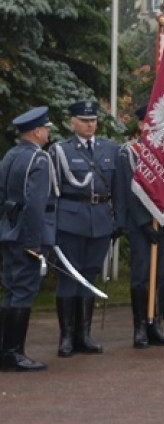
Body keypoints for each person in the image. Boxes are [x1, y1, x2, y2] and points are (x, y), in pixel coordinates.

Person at [49, 99, 124, 357]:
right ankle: (66, 337)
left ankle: (84, 334)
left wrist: (119, 221)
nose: (89, 124)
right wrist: (51, 225)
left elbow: (118, 189)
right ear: (72, 123)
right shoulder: (60, 150)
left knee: (90, 276)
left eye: (93, 120)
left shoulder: (109, 149)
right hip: (70, 221)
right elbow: (52, 192)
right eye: (84, 120)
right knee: (69, 277)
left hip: (100, 221)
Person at [0, 107, 57, 372]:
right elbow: (35, 206)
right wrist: (35, 244)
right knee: (22, 291)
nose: (47, 133)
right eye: (45, 129)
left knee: (12, 291)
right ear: (36, 131)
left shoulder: (11, 155)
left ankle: (6, 350)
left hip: (10, 231)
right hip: (27, 235)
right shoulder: (39, 159)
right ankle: (14, 353)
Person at [117, 106, 164, 349]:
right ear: (141, 125)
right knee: (141, 277)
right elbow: (128, 191)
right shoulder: (130, 152)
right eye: (150, 123)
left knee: (162, 276)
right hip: (141, 224)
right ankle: (140, 327)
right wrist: (144, 223)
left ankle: (156, 324)